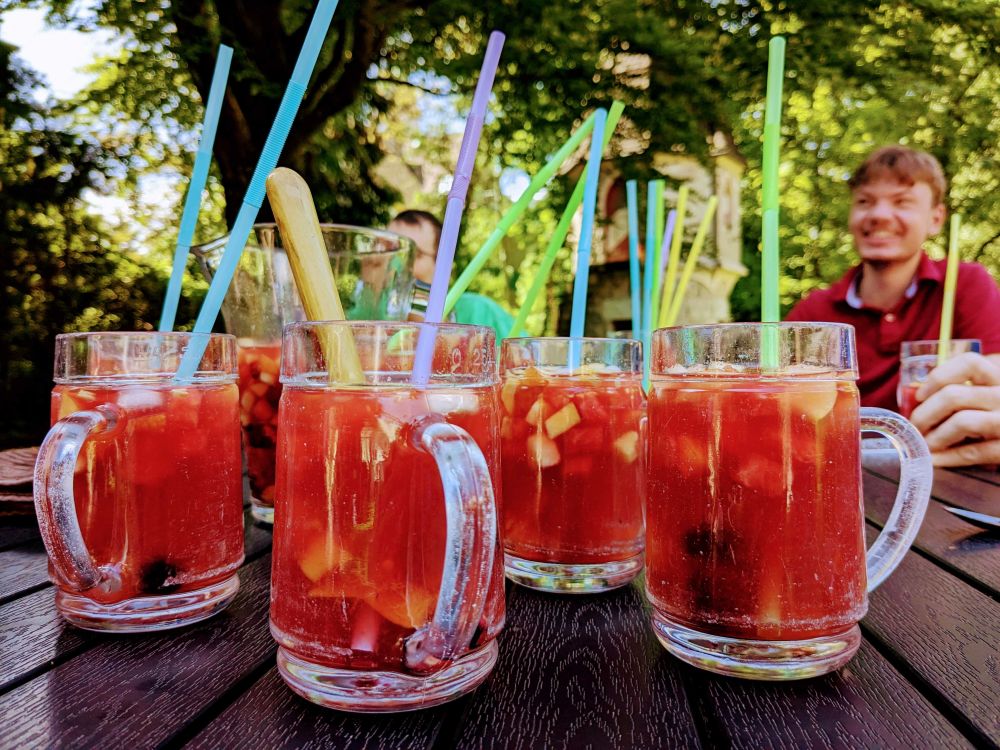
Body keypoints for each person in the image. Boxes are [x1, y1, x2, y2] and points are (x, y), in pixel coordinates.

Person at [785, 145, 1000, 467]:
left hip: (948, 477)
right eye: (864, 201)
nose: (879, 214)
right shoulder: (814, 312)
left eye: (902, 202)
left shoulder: (965, 284)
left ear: (936, 219)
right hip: (840, 477)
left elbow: (993, 384)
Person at [388, 209, 515, 341]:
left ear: (443, 268)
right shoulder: (369, 325)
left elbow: (526, 353)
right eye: (388, 251)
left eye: (413, 254)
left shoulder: (479, 312)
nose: (394, 263)